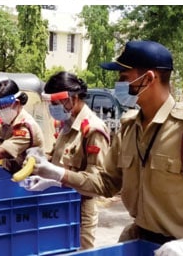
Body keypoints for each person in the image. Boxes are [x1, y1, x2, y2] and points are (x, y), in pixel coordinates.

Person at [32, 41, 183, 256]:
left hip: (182, 250)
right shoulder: (130, 128)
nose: (118, 84)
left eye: (124, 77)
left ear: (148, 78)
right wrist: (58, 174)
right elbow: (106, 183)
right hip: (138, 240)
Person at [21, 72, 110, 250]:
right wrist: (39, 160)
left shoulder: (92, 129)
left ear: (73, 98)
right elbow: (56, 157)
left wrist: (56, 178)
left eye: (55, 103)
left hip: (80, 210)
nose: (52, 108)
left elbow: (97, 183)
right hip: (59, 204)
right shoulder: (67, 125)